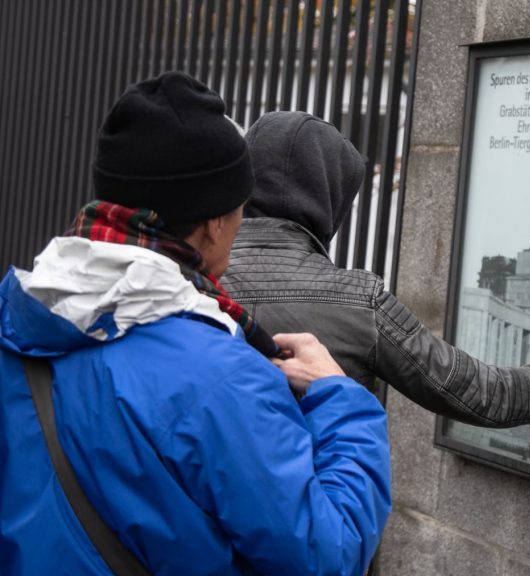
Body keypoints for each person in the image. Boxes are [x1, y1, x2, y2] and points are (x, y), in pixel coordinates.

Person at [0, 73, 390, 575]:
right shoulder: (221, 375)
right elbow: (326, 554)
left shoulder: (18, 316)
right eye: (239, 209)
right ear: (212, 223)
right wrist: (339, 396)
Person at [221, 112, 530, 428]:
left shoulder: (190, 279)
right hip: (316, 518)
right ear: (329, 198)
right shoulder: (358, 302)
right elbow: (485, 395)